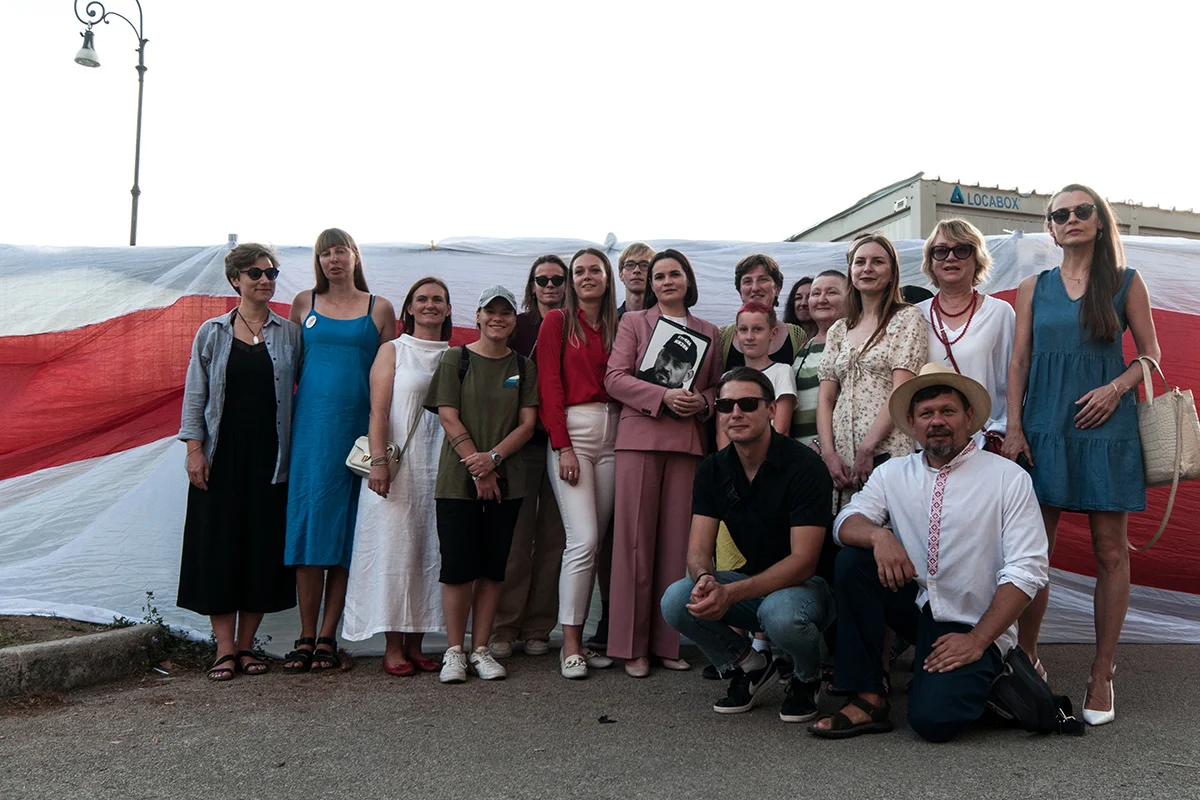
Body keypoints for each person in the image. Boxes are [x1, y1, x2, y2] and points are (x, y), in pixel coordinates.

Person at [810, 364, 1048, 742]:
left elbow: (1027, 571)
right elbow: (845, 523)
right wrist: (879, 537)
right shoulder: (893, 473)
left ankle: (993, 677)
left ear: (969, 417)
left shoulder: (1008, 478)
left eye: (947, 411)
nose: (937, 421)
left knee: (932, 722)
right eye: (926, 413)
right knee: (853, 561)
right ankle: (868, 698)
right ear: (911, 423)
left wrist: (978, 640)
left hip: (974, 623)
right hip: (919, 612)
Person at [1004, 184, 1161, 725]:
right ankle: (1028, 658)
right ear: (1050, 228)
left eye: (1082, 210)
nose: (1071, 219)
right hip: (1043, 428)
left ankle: (1102, 671)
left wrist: (1115, 390)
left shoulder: (1125, 282)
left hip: (1105, 426)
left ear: (1099, 221)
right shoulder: (1033, 287)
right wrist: (1015, 429)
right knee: (1034, 553)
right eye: (1060, 214)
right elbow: (1019, 362)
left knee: (1111, 551)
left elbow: (1150, 356)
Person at [661, 368, 835, 721]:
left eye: (748, 404)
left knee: (778, 614)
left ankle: (807, 676)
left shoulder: (805, 466)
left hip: (812, 587)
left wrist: (731, 593)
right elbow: (698, 549)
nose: (735, 413)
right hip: (754, 582)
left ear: (771, 409)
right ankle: (750, 665)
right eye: (726, 405)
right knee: (678, 600)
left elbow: (804, 562)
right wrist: (705, 578)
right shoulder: (713, 468)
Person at [177, 243, 302, 681]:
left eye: (271, 273)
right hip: (220, 457)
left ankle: (247, 646)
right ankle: (224, 649)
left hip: (272, 458)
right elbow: (195, 395)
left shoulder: (291, 334)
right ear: (235, 280)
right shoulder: (212, 332)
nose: (265, 280)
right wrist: (194, 450)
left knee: (261, 548)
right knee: (218, 547)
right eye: (255, 273)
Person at [283, 229, 396, 673]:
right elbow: (287, 369)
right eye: (325, 253)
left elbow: (390, 374)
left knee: (349, 535)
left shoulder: (379, 308)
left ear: (355, 257)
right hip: (311, 434)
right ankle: (305, 636)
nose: (333, 259)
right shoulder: (302, 304)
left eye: (341, 251)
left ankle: (329, 636)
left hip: (360, 435)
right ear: (318, 261)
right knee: (310, 531)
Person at [605, 249, 722, 678]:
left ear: (688, 280)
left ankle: (668, 641)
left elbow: (717, 387)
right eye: (659, 276)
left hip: (687, 443)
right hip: (640, 438)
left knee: (677, 547)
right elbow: (614, 378)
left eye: (675, 274)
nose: (667, 281)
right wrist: (663, 396)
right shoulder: (634, 323)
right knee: (634, 545)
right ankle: (631, 646)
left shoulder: (709, 331)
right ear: (650, 284)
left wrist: (703, 402)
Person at [425, 285, 539, 683]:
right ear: (476, 316)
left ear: (513, 321)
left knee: (493, 569)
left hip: (507, 481)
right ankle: (454, 652)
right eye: (491, 311)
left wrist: (493, 460)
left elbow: (527, 424)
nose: (497, 318)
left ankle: (481, 649)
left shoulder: (523, 366)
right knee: (458, 568)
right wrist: (479, 467)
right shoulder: (454, 359)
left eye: (506, 312)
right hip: (458, 482)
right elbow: (448, 415)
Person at [342, 277, 452, 676]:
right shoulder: (393, 350)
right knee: (395, 553)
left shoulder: (457, 355)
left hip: (440, 469)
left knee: (429, 553)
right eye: (422, 299)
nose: (429, 305)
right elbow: (379, 410)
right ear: (409, 308)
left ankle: (417, 644)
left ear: (448, 309)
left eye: (438, 299)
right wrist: (378, 462)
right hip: (397, 469)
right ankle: (393, 646)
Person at [537, 248, 621, 679]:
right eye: (580, 271)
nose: (587, 277)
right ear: (572, 280)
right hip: (575, 431)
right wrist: (562, 446)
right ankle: (569, 644)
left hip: (616, 434)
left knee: (597, 542)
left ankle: (583, 641)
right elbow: (548, 384)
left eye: (595, 270)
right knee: (583, 540)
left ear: (607, 278)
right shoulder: (558, 321)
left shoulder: (619, 324)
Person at [492, 256, 568, 660]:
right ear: (532, 285)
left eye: (557, 279)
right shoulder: (517, 326)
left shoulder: (576, 325)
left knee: (554, 540)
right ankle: (505, 627)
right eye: (543, 279)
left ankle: (539, 627)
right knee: (517, 541)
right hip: (521, 444)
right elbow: (500, 373)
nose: (550, 285)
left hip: (564, 444)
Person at [817, 234, 927, 510]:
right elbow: (826, 398)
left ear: (892, 273)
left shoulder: (906, 318)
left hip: (887, 448)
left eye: (877, 262)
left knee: (888, 524)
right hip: (841, 456)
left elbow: (902, 389)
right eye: (860, 262)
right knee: (844, 526)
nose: (867, 268)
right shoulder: (839, 329)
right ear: (851, 271)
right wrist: (828, 453)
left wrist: (868, 447)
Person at [916, 219, 1014, 450]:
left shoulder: (999, 313)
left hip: (983, 444)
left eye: (962, 250)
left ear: (977, 258)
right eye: (941, 251)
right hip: (929, 444)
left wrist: (1011, 430)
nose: (951, 257)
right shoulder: (915, 315)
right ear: (930, 261)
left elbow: (1015, 380)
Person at [716, 302, 796, 449]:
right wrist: (726, 461)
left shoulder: (782, 371)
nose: (749, 337)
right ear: (736, 334)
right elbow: (722, 434)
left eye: (757, 329)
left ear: (773, 333)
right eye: (743, 330)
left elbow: (781, 430)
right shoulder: (727, 378)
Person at [719, 254, 807, 369]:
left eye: (763, 280)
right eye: (747, 281)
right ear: (740, 292)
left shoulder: (796, 336)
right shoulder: (723, 337)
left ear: (777, 289)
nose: (755, 288)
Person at [791, 270, 847, 445]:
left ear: (850, 298)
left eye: (831, 292)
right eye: (815, 294)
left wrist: (823, 444)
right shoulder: (805, 346)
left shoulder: (852, 341)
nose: (821, 299)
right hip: (803, 453)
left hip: (837, 451)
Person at [616, 242, 656, 317]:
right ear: (621, 275)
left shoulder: (666, 319)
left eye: (644, 265)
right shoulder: (609, 320)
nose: (636, 270)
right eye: (630, 265)